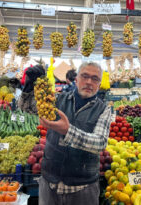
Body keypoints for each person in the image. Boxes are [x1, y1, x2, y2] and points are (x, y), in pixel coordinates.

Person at [39, 62, 111, 205]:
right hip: (49, 182)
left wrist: (68, 131)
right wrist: (30, 90)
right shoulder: (58, 99)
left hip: (83, 188)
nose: (89, 82)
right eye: (85, 76)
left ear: (99, 84)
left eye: (95, 79)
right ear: (76, 79)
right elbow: (30, 110)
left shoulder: (104, 109)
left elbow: (100, 142)